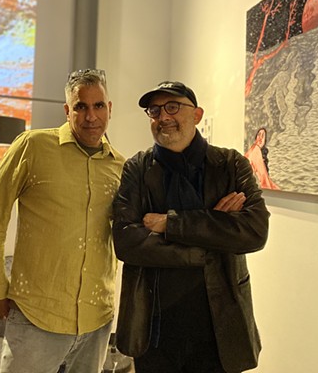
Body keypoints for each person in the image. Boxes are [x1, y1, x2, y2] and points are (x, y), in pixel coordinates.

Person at [112, 81, 270, 373]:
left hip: (220, 327)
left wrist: (169, 224)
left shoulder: (231, 165)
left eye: (172, 107)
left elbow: (255, 231)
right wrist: (209, 239)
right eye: (154, 111)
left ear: (197, 115)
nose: (163, 117)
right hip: (154, 327)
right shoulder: (137, 168)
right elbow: (127, 242)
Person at [0, 69, 125, 373]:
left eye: (98, 105)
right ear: (67, 110)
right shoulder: (32, 146)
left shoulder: (121, 167)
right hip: (36, 315)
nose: (91, 116)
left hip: (97, 320)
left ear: (109, 109)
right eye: (81, 106)